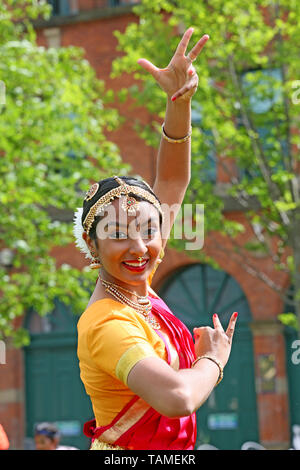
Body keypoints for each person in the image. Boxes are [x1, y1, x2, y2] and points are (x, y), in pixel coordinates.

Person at [75, 28, 238, 450]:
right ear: (92, 247)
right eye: (117, 234)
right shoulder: (107, 323)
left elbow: (171, 179)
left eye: (150, 229)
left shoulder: (138, 283)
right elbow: (177, 398)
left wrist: (178, 102)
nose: (139, 245)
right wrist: (213, 360)